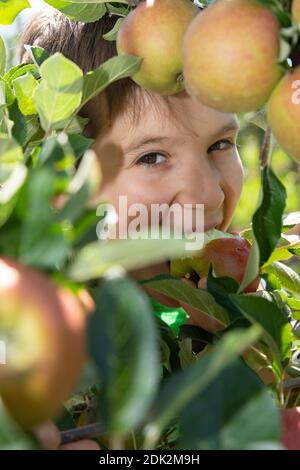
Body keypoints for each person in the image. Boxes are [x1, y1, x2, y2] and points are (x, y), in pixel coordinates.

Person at [18, 5, 298, 450]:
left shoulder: (256, 316)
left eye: (221, 144)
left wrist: (259, 369)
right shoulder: (46, 363)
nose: (208, 195)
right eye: (151, 157)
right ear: (65, 185)